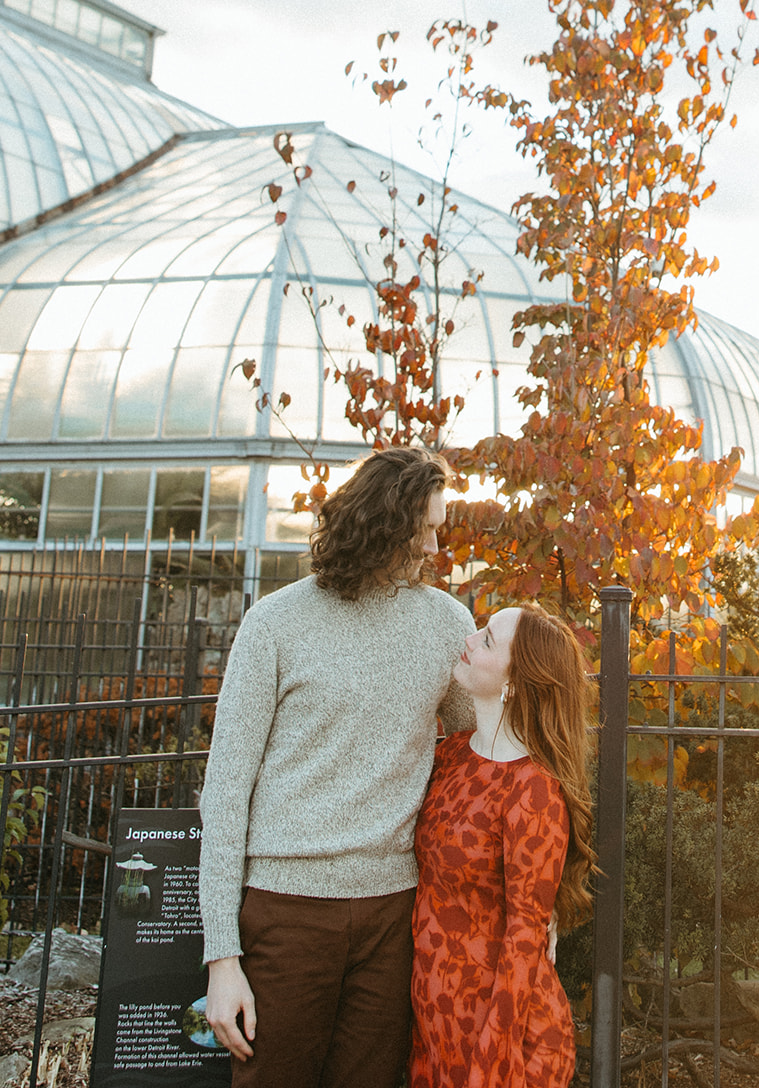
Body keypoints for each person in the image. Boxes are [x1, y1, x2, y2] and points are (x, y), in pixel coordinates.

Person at [198, 445, 474, 1088]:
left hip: (395, 916)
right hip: (286, 912)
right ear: (387, 521)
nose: (437, 545)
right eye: (428, 527)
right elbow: (226, 790)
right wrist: (221, 958)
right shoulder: (275, 623)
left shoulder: (446, 624)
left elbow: (477, 757)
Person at [409, 603, 595, 1088]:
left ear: (515, 683)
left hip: (503, 1040)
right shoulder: (451, 754)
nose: (470, 640)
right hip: (437, 1024)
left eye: (488, 639)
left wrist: (491, 1066)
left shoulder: (532, 789)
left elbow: (523, 940)